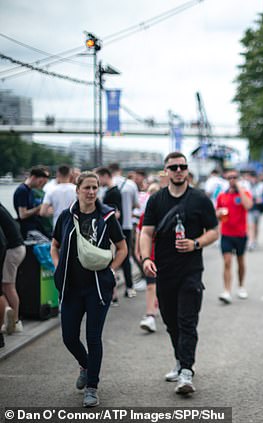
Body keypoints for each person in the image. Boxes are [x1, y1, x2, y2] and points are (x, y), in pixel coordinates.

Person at [140, 152, 219, 395]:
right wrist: (145, 259)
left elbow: (214, 231)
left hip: (191, 272)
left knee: (187, 321)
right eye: (173, 167)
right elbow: (146, 232)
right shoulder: (156, 200)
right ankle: (179, 360)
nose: (178, 170)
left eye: (182, 166)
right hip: (164, 271)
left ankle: (186, 371)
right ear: (166, 171)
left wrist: (196, 243)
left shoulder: (200, 199)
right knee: (171, 321)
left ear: (187, 170)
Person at [50, 172, 128, 407]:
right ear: (77, 190)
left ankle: (92, 386)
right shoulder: (66, 216)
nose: (92, 192)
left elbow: (122, 248)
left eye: (95, 187)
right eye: (87, 188)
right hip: (71, 288)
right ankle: (85, 365)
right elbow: (54, 246)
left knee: (93, 337)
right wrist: (58, 268)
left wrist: (112, 271)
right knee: (69, 337)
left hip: (97, 288)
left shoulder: (106, 217)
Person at [216, 169, 253, 304]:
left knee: (240, 261)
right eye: (230, 177)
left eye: (234, 177)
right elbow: (217, 212)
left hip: (241, 234)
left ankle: (241, 286)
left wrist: (239, 188)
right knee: (227, 262)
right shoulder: (222, 195)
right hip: (226, 233)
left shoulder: (244, 193)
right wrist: (219, 213)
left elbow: (248, 205)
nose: (232, 179)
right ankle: (226, 291)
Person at [109, 163, 140, 299]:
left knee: (109, 257)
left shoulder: (106, 185)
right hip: (126, 225)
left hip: (109, 226)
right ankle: (129, 287)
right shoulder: (131, 184)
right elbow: (136, 204)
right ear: (120, 170)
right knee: (125, 256)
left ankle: (111, 292)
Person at [135, 183, 161, 333]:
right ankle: (150, 315)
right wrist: (138, 251)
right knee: (151, 285)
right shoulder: (145, 216)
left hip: (165, 257)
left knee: (163, 287)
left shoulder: (167, 213)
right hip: (150, 256)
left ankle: (158, 305)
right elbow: (140, 233)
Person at [0, 202, 26, 334]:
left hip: (11, 250)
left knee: (7, 287)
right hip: (19, 247)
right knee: (9, 286)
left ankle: (12, 318)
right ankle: (13, 318)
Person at [13, 166, 49, 237]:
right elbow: (22, 215)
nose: (41, 184)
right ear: (33, 177)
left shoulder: (30, 190)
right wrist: (39, 207)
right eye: (40, 181)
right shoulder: (22, 190)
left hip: (34, 226)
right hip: (27, 229)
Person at [40, 164, 77, 229]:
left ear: (58, 174)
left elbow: (42, 212)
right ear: (70, 174)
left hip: (57, 226)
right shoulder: (77, 190)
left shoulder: (51, 190)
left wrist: (51, 212)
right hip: (73, 226)